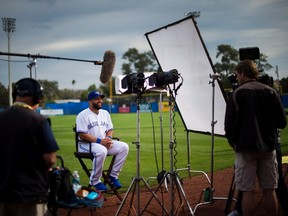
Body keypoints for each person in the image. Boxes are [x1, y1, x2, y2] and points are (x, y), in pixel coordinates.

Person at [224, 60, 287, 216]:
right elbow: (282, 122)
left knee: (247, 192)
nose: (236, 78)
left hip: (245, 149)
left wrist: (235, 143)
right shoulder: (271, 91)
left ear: (244, 73)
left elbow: (228, 126)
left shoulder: (236, 94)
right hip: (268, 148)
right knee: (269, 190)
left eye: (237, 74)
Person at [0, 78, 59, 216]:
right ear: (38, 98)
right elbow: (50, 159)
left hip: (2, 192)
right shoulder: (39, 121)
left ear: (15, 96)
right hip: (30, 194)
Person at [76, 90, 129, 191]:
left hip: (102, 143)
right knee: (101, 150)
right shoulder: (82, 115)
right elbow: (82, 134)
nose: (100, 100)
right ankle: (95, 181)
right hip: (86, 145)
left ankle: (113, 176)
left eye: (100, 98)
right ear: (90, 102)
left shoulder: (105, 113)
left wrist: (108, 139)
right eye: (96, 99)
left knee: (124, 147)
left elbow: (110, 129)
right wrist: (101, 141)